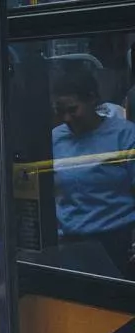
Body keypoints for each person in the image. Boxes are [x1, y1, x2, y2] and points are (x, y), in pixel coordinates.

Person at [51, 69, 135, 278]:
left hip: (116, 241)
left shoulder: (124, 135)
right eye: (60, 111)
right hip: (71, 243)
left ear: (92, 99)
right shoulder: (55, 138)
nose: (67, 118)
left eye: (73, 109)